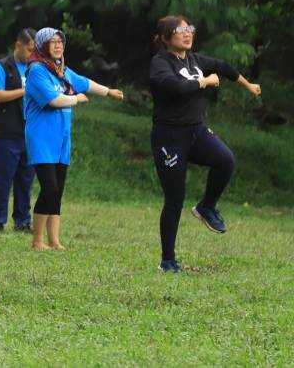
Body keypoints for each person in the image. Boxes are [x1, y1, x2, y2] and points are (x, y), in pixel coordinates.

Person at [148, 16, 261, 273]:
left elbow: (224, 67)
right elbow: (173, 87)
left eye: (189, 29)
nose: (187, 34)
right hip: (170, 137)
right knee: (175, 199)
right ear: (166, 38)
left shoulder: (195, 59)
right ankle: (168, 261)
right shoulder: (160, 63)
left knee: (226, 160)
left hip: (196, 132)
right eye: (180, 30)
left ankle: (206, 206)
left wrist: (248, 85)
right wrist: (204, 81)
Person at [24, 27, 123, 251]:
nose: (58, 45)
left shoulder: (62, 70)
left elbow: (84, 82)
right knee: (49, 187)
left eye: (61, 42)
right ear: (42, 45)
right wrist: (76, 98)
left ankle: (54, 241)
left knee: (58, 189)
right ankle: (37, 240)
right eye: (53, 42)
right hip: (42, 137)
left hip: (61, 139)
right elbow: (54, 100)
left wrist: (108, 91)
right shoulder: (37, 70)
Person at [0, 28, 36, 232]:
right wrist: (24, 91)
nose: (32, 55)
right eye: (30, 50)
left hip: (31, 132)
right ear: (18, 45)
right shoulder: (2, 67)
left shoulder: (37, 68)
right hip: (7, 132)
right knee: (3, 178)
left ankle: (23, 221)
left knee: (26, 179)